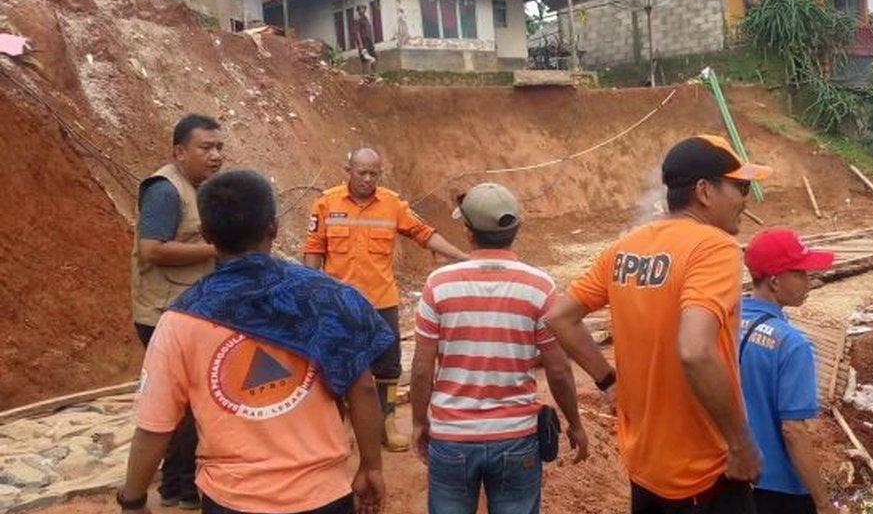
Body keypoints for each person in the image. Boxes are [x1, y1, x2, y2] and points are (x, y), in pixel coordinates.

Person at [118, 169, 393, 514]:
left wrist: (133, 498)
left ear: (206, 234)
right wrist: (371, 466)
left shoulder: (180, 321)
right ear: (274, 226)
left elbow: (154, 425)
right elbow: (364, 388)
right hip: (323, 494)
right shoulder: (328, 298)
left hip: (233, 498)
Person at [546, 135, 771, 514]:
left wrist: (608, 381)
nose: (744, 199)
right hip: (704, 476)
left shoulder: (626, 247)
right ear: (704, 191)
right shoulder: (713, 247)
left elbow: (559, 316)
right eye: (740, 186)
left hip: (645, 469)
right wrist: (741, 445)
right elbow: (695, 350)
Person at [410, 183, 589, 514]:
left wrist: (419, 421)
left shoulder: (439, 284)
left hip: (452, 437)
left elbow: (422, 369)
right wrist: (574, 422)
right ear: (516, 229)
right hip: (516, 438)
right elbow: (559, 369)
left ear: (467, 231)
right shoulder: (540, 285)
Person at [303, 148, 469, 451]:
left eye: (374, 173)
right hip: (339, 303)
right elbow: (314, 248)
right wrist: (309, 293)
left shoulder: (392, 204)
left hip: (381, 300)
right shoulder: (326, 203)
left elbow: (424, 234)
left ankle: (386, 424)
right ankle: (340, 427)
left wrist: (461, 257)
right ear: (348, 170)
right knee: (336, 362)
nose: (368, 179)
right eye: (362, 172)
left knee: (388, 366)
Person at [130, 113, 224, 509]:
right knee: (181, 406)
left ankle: (179, 484)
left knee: (190, 404)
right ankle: (178, 488)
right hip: (162, 314)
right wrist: (216, 250)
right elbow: (152, 249)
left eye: (219, 147)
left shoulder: (200, 187)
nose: (216, 156)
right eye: (206, 148)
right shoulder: (166, 190)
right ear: (179, 151)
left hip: (188, 312)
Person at [738, 229, 843, 514]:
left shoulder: (724, 322)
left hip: (730, 476)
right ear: (774, 281)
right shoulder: (792, 344)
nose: (809, 281)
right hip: (778, 487)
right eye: (800, 273)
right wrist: (822, 503)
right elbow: (793, 430)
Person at [354, 5, 377, 76]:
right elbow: (357, 32)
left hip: (369, 43)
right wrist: (360, 45)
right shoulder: (358, 20)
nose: (363, 10)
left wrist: (372, 42)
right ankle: (366, 76)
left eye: (364, 8)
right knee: (365, 59)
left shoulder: (366, 19)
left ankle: (373, 74)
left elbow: (369, 31)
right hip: (363, 43)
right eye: (361, 9)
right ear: (358, 11)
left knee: (374, 58)